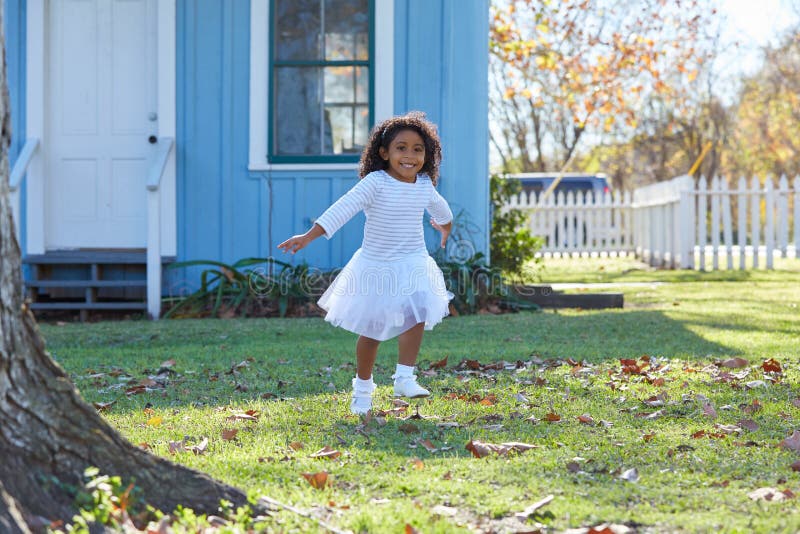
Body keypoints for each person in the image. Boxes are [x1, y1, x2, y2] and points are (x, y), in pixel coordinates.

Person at [278, 111, 454, 416]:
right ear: (384, 153)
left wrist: (445, 226)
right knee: (372, 332)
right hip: (376, 266)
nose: (410, 155)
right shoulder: (376, 183)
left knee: (419, 313)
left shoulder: (424, 185)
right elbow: (343, 208)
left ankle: (404, 377)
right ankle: (362, 388)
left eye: (418, 149)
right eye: (401, 148)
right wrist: (309, 236)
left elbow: (441, 209)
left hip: (412, 262)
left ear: (428, 155)